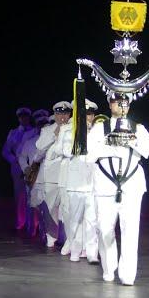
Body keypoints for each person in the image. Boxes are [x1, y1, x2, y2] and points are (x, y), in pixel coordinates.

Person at [86, 93, 149, 285]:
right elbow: (88, 156)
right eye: (117, 102)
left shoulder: (137, 127)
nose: (121, 105)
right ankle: (109, 268)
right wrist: (110, 143)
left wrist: (132, 141)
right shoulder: (100, 128)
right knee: (105, 229)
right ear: (110, 105)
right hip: (105, 185)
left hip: (131, 186)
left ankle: (127, 275)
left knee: (130, 230)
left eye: (125, 102)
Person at [58, 98, 100, 263]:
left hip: (93, 183)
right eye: (85, 114)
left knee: (92, 220)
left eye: (90, 115)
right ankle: (75, 251)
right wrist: (80, 134)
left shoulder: (98, 132)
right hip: (75, 183)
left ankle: (91, 253)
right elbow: (67, 151)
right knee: (74, 220)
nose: (88, 118)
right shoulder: (69, 132)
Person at [34, 101, 72, 248]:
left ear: (69, 114)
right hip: (51, 176)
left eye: (65, 113)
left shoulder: (73, 129)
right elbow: (39, 148)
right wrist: (53, 136)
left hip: (68, 175)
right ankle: (51, 237)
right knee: (50, 208)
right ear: (55, 114)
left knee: (67, 209)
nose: (62, 116)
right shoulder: (47, 130)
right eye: (59, 113)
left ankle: (67, 238)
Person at [2, 107, 34, 234]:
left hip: (31, 167)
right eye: (21, 117)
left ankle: (32, 223)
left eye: (25, 116)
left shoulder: (34, 131)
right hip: (17, 167)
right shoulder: (13, 133)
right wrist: (14, 160)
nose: (23, 119)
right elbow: (5, 150)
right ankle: (20, 222)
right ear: (18, 118)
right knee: (20, 196)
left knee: (31, 195)